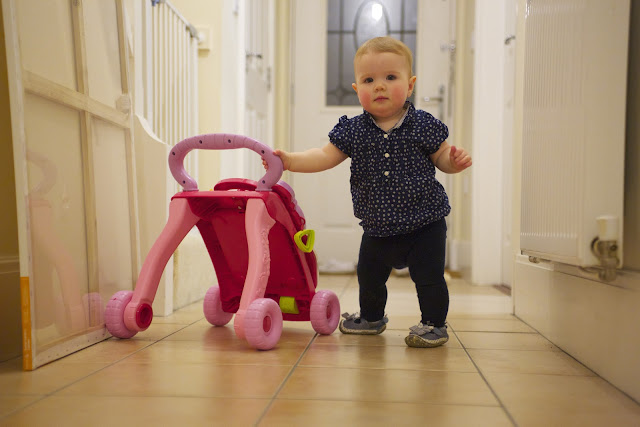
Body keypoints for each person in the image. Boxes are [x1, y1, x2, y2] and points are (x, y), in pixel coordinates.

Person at [264, 36, 471, 348]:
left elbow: (441, 156)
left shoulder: (422, 124)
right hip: (377, 226)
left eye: (391, 77)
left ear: (410, 85)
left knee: (428, 277)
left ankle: (433, 323)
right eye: (369, 80)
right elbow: (324, 156)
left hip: (425, 222)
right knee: (369, 274)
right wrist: (290, 161)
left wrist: (452, 162)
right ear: (356, 88)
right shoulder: (353, 130)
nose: (379, 86)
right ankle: (372, 317)